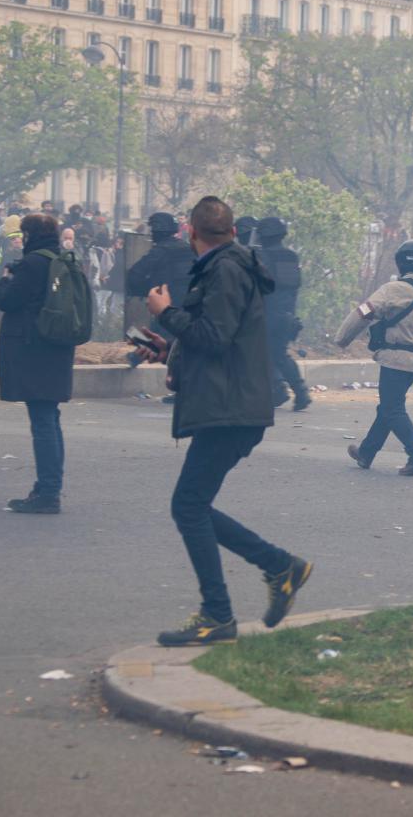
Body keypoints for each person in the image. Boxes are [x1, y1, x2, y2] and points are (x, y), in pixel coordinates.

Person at [137, 197, 312, 647]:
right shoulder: (229, 265)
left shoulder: (225, 270)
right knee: (192, 505)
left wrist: (165, 312)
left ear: (191, 233)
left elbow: (214, 337)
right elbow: (223, 338)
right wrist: (170, 349)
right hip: (231, 403)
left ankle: (221, 610)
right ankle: (278, 568)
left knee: (189, 506)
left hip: (230, 408)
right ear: (232, 232)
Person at [336, 239, 413, 475]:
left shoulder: (391, 290)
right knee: (389, 406)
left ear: (400, 263)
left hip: (395, 359)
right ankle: (366, 452)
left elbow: (363, 313)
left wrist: (342, 339)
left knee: (392, 408)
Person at [0, 213, 75, 514]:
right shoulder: (63, 260)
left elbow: (7, 300)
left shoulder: (32, 264)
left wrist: (5, 279)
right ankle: (48, 487)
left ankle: (48, 493)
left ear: (30, 236)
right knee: (49, 417)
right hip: (57, 348)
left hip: (34, 349)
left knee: (42, 420)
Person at [255, 216, 312, 412]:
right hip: (287, 315)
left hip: (267, 315)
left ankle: (282, 390)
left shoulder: (260, 257)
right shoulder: (291, 257)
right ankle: (296, 391)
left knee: (263, 354)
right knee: (278, 354)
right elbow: (294, 288)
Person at [125, 212, 193, 341]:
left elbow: (135, 274)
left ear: (158, 230)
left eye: (152, 229)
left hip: (166, 304)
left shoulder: (161, 250)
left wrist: (149, 291)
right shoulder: (188, 248)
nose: (151, 233)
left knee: (158, 337)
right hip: (187, 305)